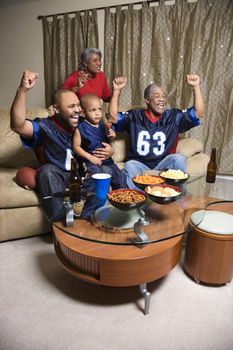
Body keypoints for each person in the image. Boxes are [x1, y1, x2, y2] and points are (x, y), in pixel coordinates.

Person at [10, 70, 113, 221]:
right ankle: (60, 221)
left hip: (82, 176)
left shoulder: (85, 124)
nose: (77, 110)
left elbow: (103, 141)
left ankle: (85, 218)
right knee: (46, 171)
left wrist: (109, 150)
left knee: (105, 170)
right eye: (71, 106)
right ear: (56, 109)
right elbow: (18, 125)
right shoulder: (46, 126)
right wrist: (23, 90)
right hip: (59, 176)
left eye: (78, 105)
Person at [108, 74, 204, 189]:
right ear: (147, 100)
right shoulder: (135, 116)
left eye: (164, 96)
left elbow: (198, 113)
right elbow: (113, 117)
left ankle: (174, 196)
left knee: (178, 159)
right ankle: (138, 200)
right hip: (139, 165)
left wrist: (196, 87)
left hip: (163, 165)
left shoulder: (173, 116)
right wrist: (116, 91)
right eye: (157, 96)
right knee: (129, 165)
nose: (162, 99)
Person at [73, 93, 126, 190]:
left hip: (107, 161)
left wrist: (111, 137)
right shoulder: (80, 128)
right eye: (93, 110)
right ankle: (88, 196)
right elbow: (76, 147)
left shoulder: (102, 125)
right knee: (95, 174)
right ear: (83, 113)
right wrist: (90, 157)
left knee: (121, 176)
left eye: (99, 109)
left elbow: (106, 143)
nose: (97, 113)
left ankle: (119, 199)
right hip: (91, 161)